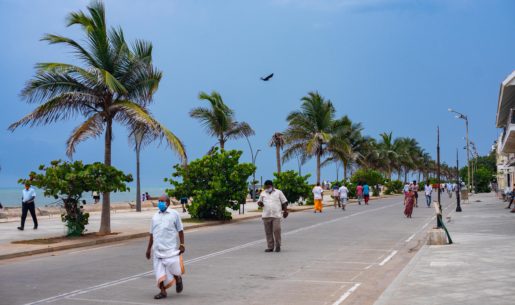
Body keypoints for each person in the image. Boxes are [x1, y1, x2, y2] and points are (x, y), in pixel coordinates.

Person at [146, 194, 185, 300]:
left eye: (161, 201)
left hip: (170, 249)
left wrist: (182, 244)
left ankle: (178, 279)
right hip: (157, 250)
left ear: (167, 203)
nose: (159, 203)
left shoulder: (174, 214)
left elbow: (180, 230)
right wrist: (149, 249)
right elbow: (152, 234)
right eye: (158, 201)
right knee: (159, 272)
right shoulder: (155, 216)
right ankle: (163, 292)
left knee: (173, 268)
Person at [257, 180, 288, 252]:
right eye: (266, 187)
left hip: (276, 215)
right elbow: (259, 201)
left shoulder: (278, 192)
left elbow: (284, 202)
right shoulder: (263, 193)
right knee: (268, 232)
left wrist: (285, 211)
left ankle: (278, 246)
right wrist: (260, 203)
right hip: (266, 215)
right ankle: (270, 247)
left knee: (276, 230)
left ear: (272, 186)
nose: (267, 188)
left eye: (268, 187)